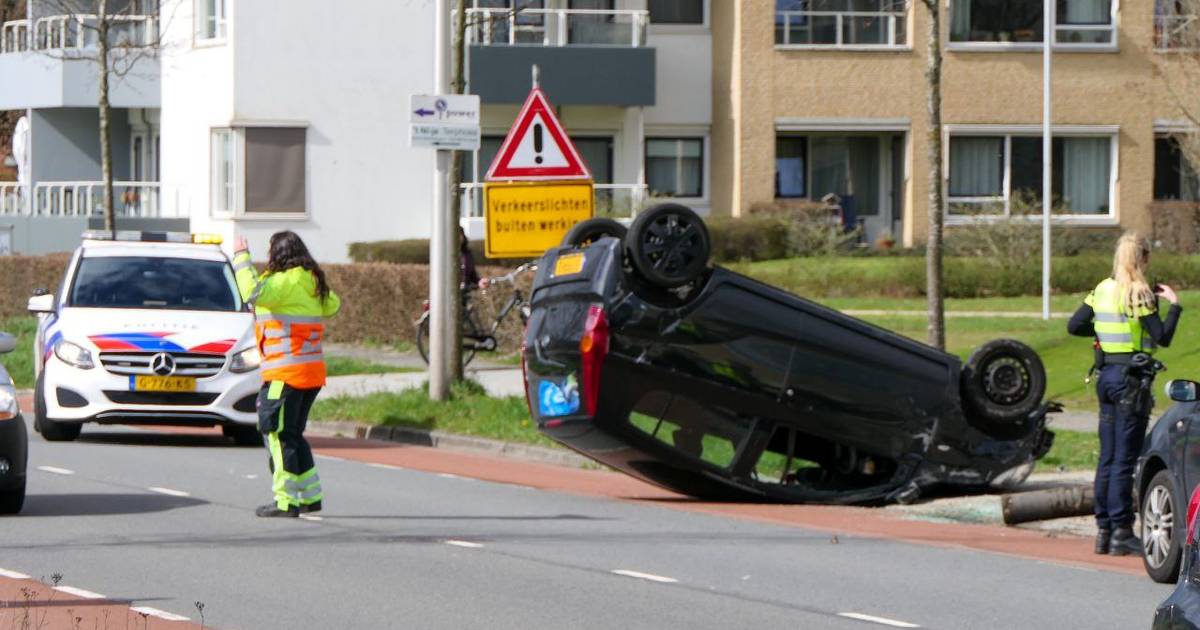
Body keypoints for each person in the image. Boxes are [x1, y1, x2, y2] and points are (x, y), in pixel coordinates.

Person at [1068, 232, 1182, 555]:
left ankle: (1103, 531)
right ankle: (1121, 530)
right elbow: (1163, 336)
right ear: (1142, 258)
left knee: (1106, 457)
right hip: (1130, 382)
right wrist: (1174, 305)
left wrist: (1104, 332)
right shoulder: (1139, 293)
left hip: (1105, 377)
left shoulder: (1102, 289)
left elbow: (1074, 326)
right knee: (1124, 459)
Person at [232, 232, 341, 518]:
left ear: (277, 254)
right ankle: (311, 496)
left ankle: (285, 501)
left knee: (277, 435)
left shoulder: (283, 283)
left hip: (284, 375)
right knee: (293, 434)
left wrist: (242, 258)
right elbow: (334, 305)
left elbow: (251, 293)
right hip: (310, 375)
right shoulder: (313, 282)